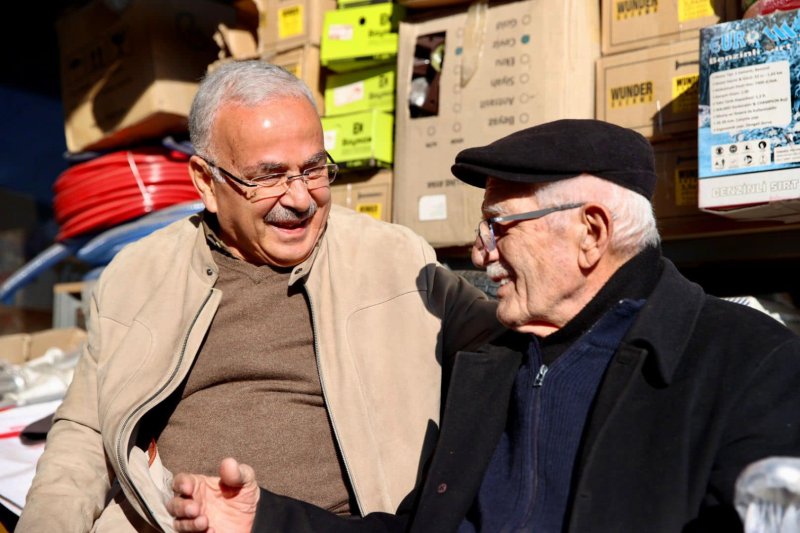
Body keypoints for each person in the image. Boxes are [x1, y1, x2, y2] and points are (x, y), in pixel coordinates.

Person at [166, 119, 800, 532]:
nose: (478, 252)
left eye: (500, 226)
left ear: (591, 233)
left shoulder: (744, 363)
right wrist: (264, 519)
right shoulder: (493, 363)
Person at [16, 60, 501, 532]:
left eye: (313, 169)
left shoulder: (395, 261)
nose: (300, 198)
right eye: (268, 176)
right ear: (207, 182)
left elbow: (514, 345)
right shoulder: (136, 276)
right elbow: (85, 434)